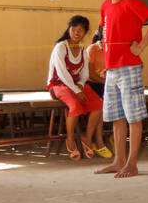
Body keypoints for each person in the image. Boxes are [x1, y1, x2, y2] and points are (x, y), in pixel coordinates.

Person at [95, 0, 148, 178]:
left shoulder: (131, 3)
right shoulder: (105, 6)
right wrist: (100, 42)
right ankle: (119, 161)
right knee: (116, 117)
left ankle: (132, 163)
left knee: (133, 117)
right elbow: (105, 30)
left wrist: (141, 45)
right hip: (111, 70)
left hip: (129, 68)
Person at [47, 15, 109, 161]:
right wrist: (77, 91)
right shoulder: (60, 47)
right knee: (74, 105)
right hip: (58, 85)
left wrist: (80, 86)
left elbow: (84, 73)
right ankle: (70, 139)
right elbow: (62, 73)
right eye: (74, 29)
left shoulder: (82, 50)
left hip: (76, 85)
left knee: (98, 105)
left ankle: (87, 137)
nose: (76, 33)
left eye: (81, 30)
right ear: (69, 29)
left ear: (85, 32)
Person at [87, 25, 106, 100]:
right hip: (93, 84)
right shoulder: (92, 49)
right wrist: (105, 82)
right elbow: (90, 73)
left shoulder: (115, 49)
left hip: (108, 84)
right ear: (101, 32)